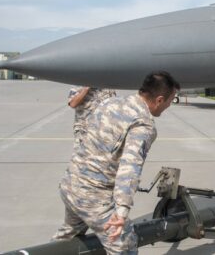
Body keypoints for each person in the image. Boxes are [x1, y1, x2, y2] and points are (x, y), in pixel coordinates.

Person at [52, 71, 180, 254]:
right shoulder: (143, 124)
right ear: (159, 100)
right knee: (125, 246)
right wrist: (121, 212)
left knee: (66, 239)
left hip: (70, 185)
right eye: (170, 100)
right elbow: (130, 169)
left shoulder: (111, 102)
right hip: (93, 197)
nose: (169, 105)